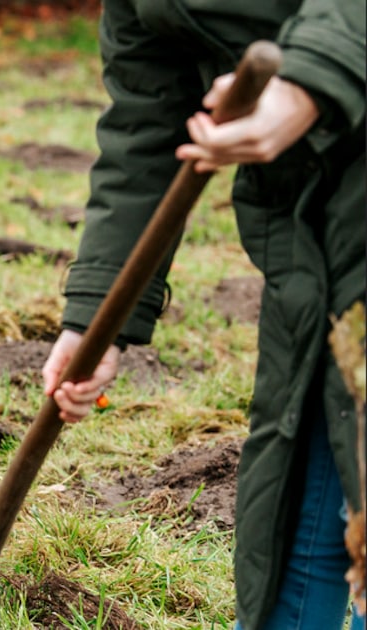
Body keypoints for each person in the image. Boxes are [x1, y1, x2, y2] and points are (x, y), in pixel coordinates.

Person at [40, 1, 364, 628]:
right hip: (306, 246)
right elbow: (148, 128)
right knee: (298, 509)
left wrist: (308, 82)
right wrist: (98, 318)